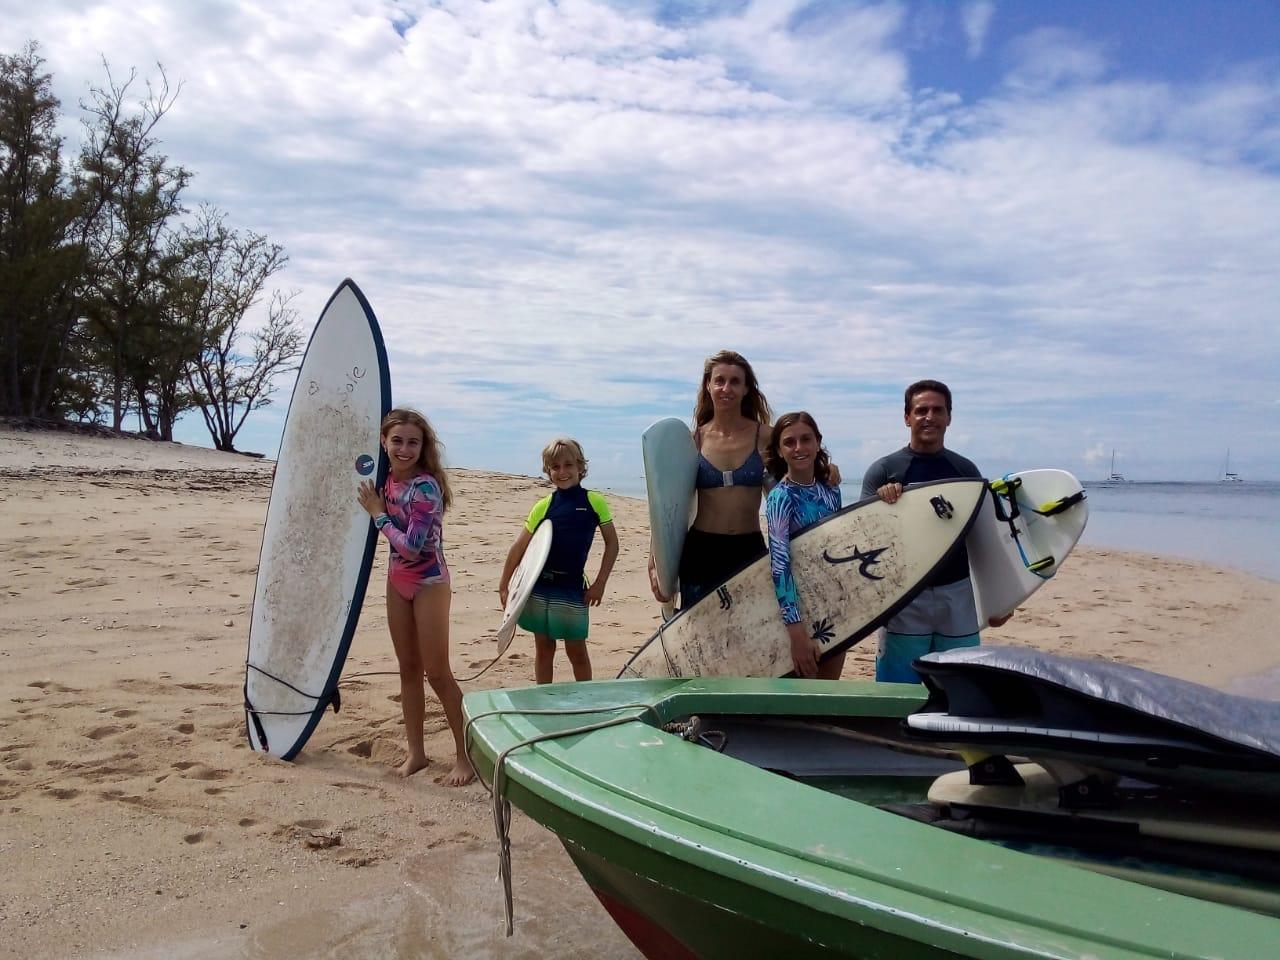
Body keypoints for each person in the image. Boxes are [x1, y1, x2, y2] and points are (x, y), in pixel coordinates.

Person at [648, 350, 839, 609]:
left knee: (751, 638)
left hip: (747, 549)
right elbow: (667, 504)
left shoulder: (765, 437)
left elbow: (799, 464)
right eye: (720, 380)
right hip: (701, 550)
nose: (726, 388)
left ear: (747, 388)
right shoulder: (694, 440)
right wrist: (656, 561)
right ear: (708, 385)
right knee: (701, 639)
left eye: (735, 381)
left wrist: (827, 470)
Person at [861, 380, 1008, 683]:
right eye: (921, 410)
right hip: (904, 596)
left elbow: (985, 542)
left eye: (937, 410)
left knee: (961, 686)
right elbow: (864, 541)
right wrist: (883, 506)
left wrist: (1001, 600)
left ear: (949, 417)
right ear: (907, 418)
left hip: (957, 594)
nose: (929, 417)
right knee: (898, 692)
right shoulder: (883, 470)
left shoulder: (965, 471)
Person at [356, 408, 474, 786]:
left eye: (413, 442)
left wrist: (378, 515)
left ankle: (465, 757)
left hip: (429, 583)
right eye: (397, 441)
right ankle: (417, 753)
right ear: (383, 442)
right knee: (408, 670)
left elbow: (411, 547)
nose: (404, 449)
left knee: (437, 672)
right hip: (396, 583)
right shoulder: (385, 480)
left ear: (423, 448)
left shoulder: (425, 488)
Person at [499, 438, 619, 684]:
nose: (562, 472)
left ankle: (585, 699)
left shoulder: (594, 502)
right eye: (555, 467)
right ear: (548, 471)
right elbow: (519, 547)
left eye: (568, 465)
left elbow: (612, 544)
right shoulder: (544, 506)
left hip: (573, 586)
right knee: (544, 650)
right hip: (540, 585)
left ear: (580, 467)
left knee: (577, 651)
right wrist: (505, 584)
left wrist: (600, 583)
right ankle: (544, 699)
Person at [763, 412, 845, 679]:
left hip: (833, 609)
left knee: (830, 695)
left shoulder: (831, 490)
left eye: (806, 439)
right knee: (805, 698)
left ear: (818, 442)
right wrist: (796, 631)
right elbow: (779, 564)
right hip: (798, 613)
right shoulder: (780, 497)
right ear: (779, 450)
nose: (799, 448)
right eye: (789, 442)